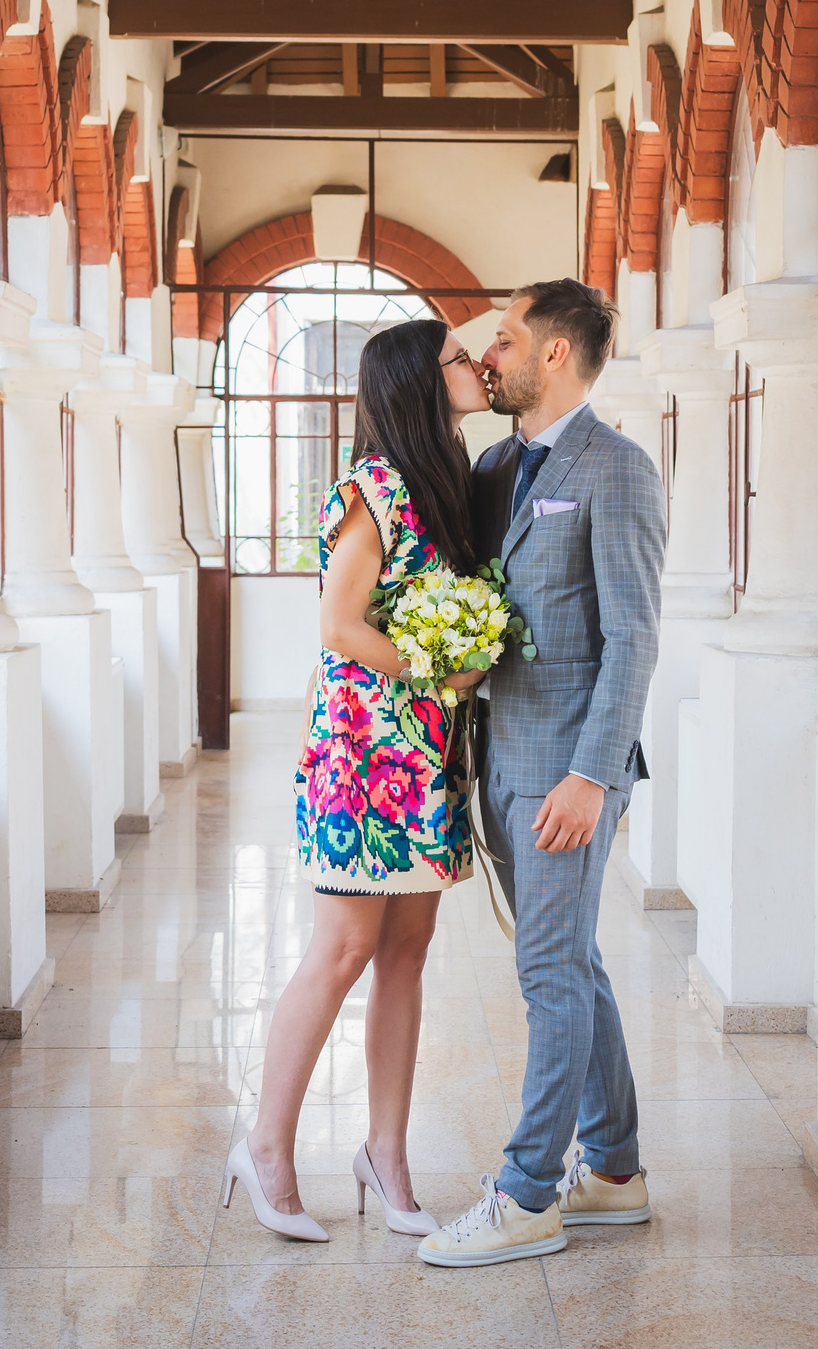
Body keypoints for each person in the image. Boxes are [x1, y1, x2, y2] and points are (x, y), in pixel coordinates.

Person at [225, 319, 492, 1244]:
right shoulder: (372, 489)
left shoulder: (448, 483)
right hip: (362, 756)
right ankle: (264, 1146)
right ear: (421, 381)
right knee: (341, 951)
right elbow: (339, 626)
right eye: (459, 357)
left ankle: (387, 1157)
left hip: (424, 757)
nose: (476, 367)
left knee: (408, 950)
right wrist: (438, 671)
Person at [418, 278, 667, 1267]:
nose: (493, 353)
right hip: (500, 763)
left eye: (508, 337)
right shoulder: (492, 464)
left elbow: (635, 638)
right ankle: (613, 1171)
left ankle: (526, 1197)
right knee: (572, 963)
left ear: (556, 353)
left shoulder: (619, 470)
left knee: (547, 976)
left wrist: (591, 776)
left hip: (568, 776)